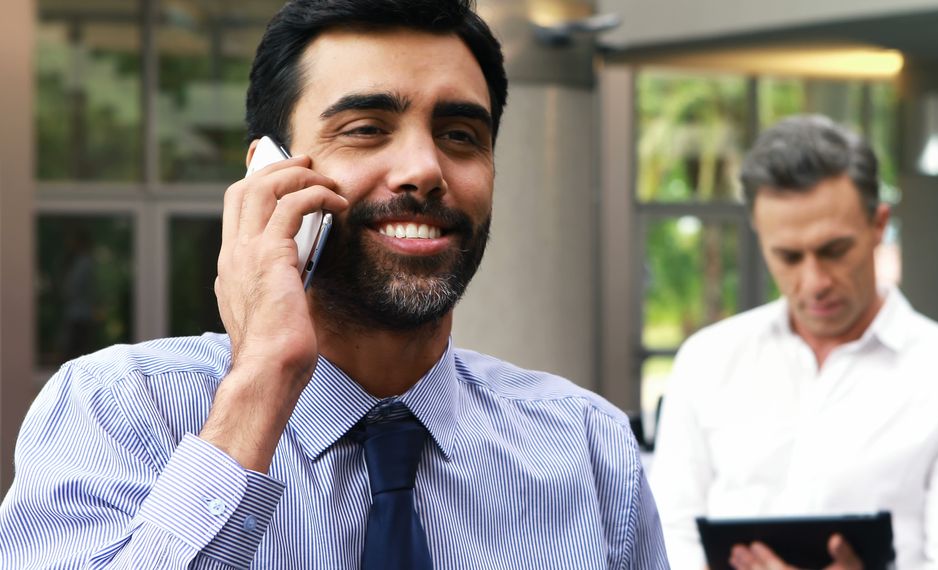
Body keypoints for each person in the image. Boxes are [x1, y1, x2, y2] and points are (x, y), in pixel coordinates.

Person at [0, 1, 668, 568]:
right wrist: (261, 383)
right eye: (367, 130)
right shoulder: (117, 412)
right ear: (269, 172)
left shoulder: (589, 450)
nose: (423, 169)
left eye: (460, 135)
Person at [649, 115, 938, 570]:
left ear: (879, 225)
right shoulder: (707, 360)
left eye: (834, 250)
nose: (815, 281)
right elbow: (669, 535)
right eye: (788, 256)